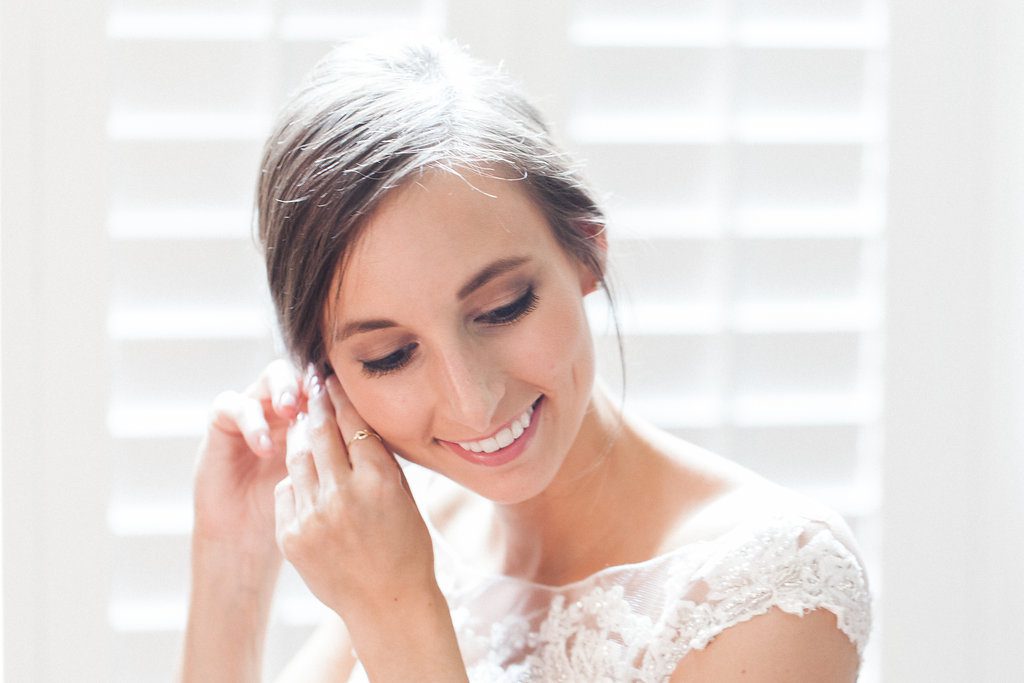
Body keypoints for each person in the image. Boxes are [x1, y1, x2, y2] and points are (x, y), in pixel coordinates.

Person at [178, 36, 871, 682]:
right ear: (326, 374)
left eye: (504, 307)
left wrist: (400, 615)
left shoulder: (772, 589)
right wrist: (230, 564)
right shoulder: (419, 535)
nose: (472, 401)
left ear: (585, 252)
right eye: (390, 355)